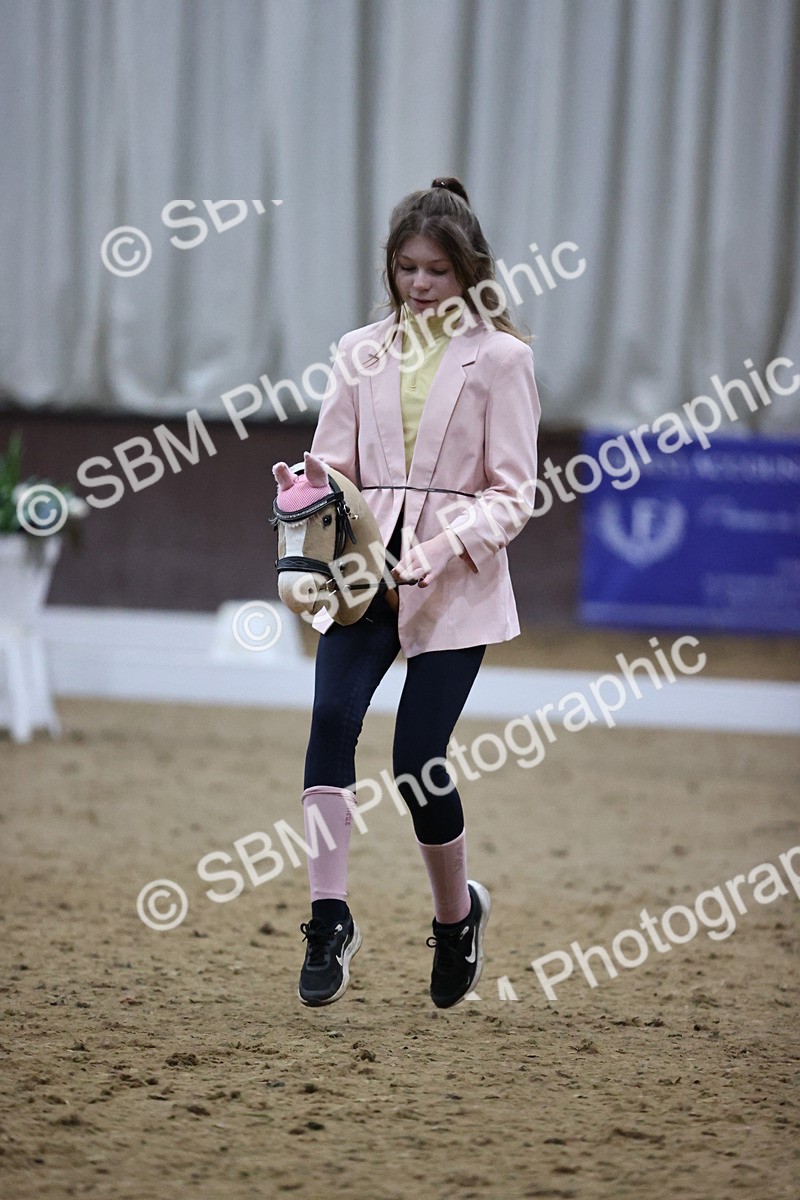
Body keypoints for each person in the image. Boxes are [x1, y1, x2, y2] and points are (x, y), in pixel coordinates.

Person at [281, 176, 540, 1009]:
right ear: (389, 268)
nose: (419, 284)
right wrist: (306, 497)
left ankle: (455, 917)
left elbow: (513, 492)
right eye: (406, 269)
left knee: (418, 763)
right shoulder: (358, 349)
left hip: (454, 583)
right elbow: (334, 465)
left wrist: (441, 548)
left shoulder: (504, 359)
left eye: (435, 270)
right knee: (328, 726)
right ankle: (328, 918)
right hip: (362, 578)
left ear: (469, 270)